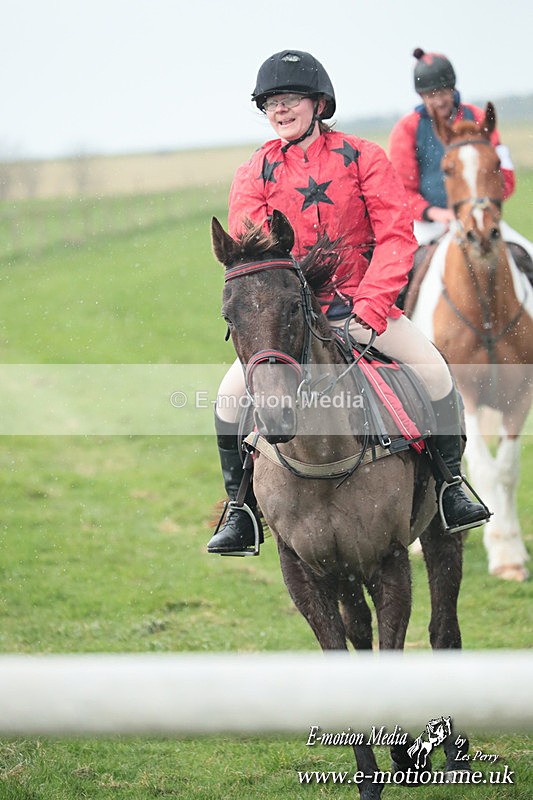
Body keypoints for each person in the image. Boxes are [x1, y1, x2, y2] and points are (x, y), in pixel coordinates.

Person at [207, 49, 490, 555]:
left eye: (290, 98)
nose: (280, 108)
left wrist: (369, 311)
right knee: (229, 400)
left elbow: (397, 237)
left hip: (364, 309)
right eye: (270, 102)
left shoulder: (362, 155)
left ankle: (450, 488)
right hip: (291, 325)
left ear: (318, 102)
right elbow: (252, 254)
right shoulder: (255, 172)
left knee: (436, 374)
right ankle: (240, 510)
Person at [389, 47, 532, 270]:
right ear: (421, 96)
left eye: (442, 92)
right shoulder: (407, 128)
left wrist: (480, 209)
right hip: (430, 223)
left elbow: (504, 175)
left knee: (527, 255)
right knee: (399, 273)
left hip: (481, 215)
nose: (438, 101)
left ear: (452, 89)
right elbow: (401, 190)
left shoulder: (477, 118)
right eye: (430, 95)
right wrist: (438, 214)